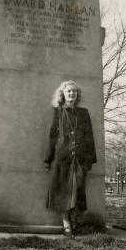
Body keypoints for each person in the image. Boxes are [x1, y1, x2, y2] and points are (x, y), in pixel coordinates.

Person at [44, 80, 97, 236]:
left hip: (80, 159)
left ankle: (75, 220)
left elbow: (89, 137)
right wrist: (48, 159)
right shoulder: (57, 112)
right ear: (63, 94)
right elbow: (52, 137)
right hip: (62, 158)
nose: (72, 94)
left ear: (77, 94)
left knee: (78, 189)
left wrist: (89, 160)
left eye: (74, 91)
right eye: (69, 91)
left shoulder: (84, 113)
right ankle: (66, 223)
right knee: (62, 191)